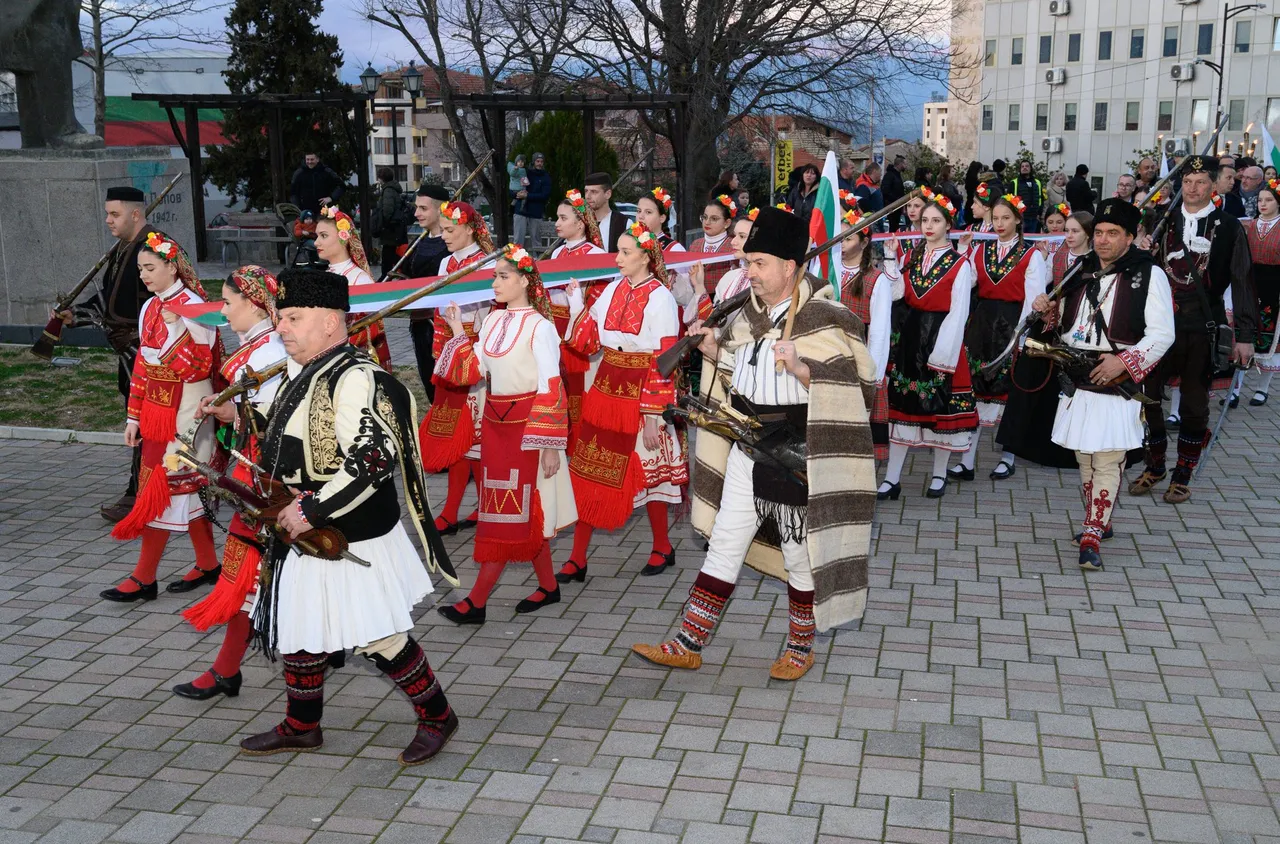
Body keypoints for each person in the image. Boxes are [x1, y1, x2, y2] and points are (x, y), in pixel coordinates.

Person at [630, 205, 876, 680]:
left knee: (799, 554)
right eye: (748, 262)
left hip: (799, 453)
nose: (751, 273)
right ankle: (688, 643)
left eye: (760, 263)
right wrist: (714, 351)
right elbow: (740, 376)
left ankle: (800, 648)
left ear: (789, 266)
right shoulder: (746, 315)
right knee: (724, 542)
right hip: (748, 446)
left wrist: (804, 368)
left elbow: (859, 387)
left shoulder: (827, 317)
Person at [239, 266, 457, 765]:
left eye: (293, 317)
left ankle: (437, 716)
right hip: (306, 524)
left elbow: (373, 458)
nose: (281, 327)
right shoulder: (305, 369)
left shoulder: (356, 377)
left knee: (378, 635)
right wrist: (239, 415)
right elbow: (296, 434)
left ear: (330, 322)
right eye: (280, 317)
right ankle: (302, 725)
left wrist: (311, 507)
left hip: (348, 528)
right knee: (299, 622)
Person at [1030, 199, 1175, 571]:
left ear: (1129, 237)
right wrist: (1048, 310)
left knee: (1108, 455)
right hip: (1078, 374)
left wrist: (1123, 362)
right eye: (1098, 233)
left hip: (1118, 377)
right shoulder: (1080, 269)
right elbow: (1067, 322)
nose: (1103, 240)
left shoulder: (1150, 274)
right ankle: (1101, 520)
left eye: (1113, 233)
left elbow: (1162, 334)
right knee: (1084, 454)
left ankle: (1093, 532)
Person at [434, 245, 576, 624]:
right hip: (496, 427)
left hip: (528, 431)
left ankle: (476, 602)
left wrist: (549, 446)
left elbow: (551, 384)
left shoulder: (541, 327)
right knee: (519, 510)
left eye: (503, 276)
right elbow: (474, 370)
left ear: (525, 281)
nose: (495, 283)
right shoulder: (494, 320)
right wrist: (456, 329)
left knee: (508, 512)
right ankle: (549, 586)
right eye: (494, 276)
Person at [174, 265, 285, 701]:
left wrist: (234, 414)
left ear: (254, 303)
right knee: (255, 575)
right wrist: (230, 412)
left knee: (248, 575)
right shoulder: (258, 346)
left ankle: (227, 671)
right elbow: (258, 417)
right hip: (256, 475)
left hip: (266, 482)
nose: (222, 310)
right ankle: (230, 668)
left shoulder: (269, 351)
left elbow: (273, 425)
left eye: (227, 301)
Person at [555, 222, 685, 583]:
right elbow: (588, 342)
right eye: (618, 251)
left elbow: (665, 359)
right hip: (607, 388)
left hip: (641, 393)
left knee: (648, 473)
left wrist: (652, 416)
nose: (618, 258)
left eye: (626, 252)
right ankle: (577, 557)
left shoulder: (660, 297)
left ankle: (662, 546)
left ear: (646, 257)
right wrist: (577, 304)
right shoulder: (612, 288)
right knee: (590, 469)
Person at [99, 232, 222, 602]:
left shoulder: (195, 307)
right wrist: (133, 417)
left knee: (166, 488)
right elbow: (141, 364)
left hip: (189, 407)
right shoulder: (149, 307)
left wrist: (175, 328)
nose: (144, 275)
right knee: (182, 487)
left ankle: (144, 577)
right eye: (140, 269)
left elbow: (198, 368)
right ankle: (208, 564)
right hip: (156, 409)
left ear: (173, 266)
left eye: (151, 268)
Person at [1132, 155, 1257, 503]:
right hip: (1158, 322)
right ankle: (1155, 464)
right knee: (1147, 395)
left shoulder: (1229, 226)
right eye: (1187, 181)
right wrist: (1141, 249)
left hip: (1202, 324)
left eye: (1201, 182)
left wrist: (1246, 336)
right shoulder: (1162, 220)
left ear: (1214, 185)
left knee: (1194, 402)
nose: (1192, 188)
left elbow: (1243, 280)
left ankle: (1183, 472)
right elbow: (1138, 268)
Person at [56, 186, 154, 522]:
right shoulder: (122, 249)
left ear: (135, 214)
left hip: (150, 356)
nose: (109, 220)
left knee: (147, 424)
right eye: (107, 214)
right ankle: (145, 492)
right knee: (138, 421)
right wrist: (75, 315)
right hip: (129, 356)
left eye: (115, 214)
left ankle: (139, 494)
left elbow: (171, 296)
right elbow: (108, 300)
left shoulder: (155, 248)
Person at [878, 189, 977, 500]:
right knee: (903, 409)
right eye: (925, 221)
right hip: (912, 338)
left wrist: (943, 357)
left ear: (948, 224)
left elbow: (959, 312)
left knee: (942, 414)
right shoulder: (911, 256)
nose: (929, 226)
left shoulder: (960, 264)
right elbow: (897, 294)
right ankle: (892, 479)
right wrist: (891, 258)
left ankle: (938, 475)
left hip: (941, 340)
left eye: (936, 220)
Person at [949, 195, 1045, 482]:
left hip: (1012, 325)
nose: (1000, 224)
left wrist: (1021, 336)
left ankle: (1008, 457)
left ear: (1018, 219)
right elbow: (965, 282)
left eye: (1006, 218)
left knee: (1009, 392)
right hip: (982, 325)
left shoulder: (1031, 254)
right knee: (976, 389)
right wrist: (962, 251)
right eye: (996, 218)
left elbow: (1034, 299)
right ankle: (967, 461)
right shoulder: (981, 250)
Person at [998, 211, 1095, 471]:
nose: (1069, 236)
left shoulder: (1096, 261)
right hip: (1049, 325)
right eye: (1067, 230)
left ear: (1088, 233)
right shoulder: (1059, 255)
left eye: (1075, 231)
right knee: (1027, 382)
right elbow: (1043, 285)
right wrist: (1041, 298)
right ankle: (1012, 449)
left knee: (1071, 389)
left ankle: (1069, 450)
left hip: (1080, 329)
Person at [419, 201, 494, 532]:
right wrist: (441, 353)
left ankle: (471, 508)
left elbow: (493, 311)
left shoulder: (487, 262)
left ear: (469, 229)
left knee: (475, 438)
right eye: (444, 230)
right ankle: (458, 509)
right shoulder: (446, 262)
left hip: (476, 358)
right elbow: (439, 311)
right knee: (456, 436)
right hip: (451, 354)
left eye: (450, 230)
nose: (445, 236)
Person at [838, 202, 891, 461]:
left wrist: (874, 375)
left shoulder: (875, 279)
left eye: (848, 238)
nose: (841, 243)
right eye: (839, 237)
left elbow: (880, 331)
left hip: (858, 358)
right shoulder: (828, 271)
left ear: (864, 242)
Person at [549, 189, 607, 426]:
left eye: (563, 218)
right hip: (557, 329)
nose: (557, 223)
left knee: (581, 389)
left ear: (581, 223)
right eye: (557, 217)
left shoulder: (596, 255)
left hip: (582, 330)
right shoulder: (557, 252)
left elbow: (601, 300)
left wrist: (579, 316)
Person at [314, 206, 392, 372]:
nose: (316, 242)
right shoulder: (326, 275)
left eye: (324, 236)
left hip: (351, 362)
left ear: (343, 237)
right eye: (317, 236)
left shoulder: (359, 280)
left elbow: (371, 329)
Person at [406, 184, 452, 395]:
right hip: (419, 322)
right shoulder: (417, 244)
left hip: (443, 323)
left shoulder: (452, 243)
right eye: (416, 207)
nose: (417, 213)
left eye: (423, 208)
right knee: (427, 377)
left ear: (440, 209)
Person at [1243, 179, 1280, 405]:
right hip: (1249, 283)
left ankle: (1262, 388)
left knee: (1270, 337)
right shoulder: (1249, 225)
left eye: (1269, 200)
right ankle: (1235, 389)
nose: (1263, 204)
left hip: (1275, 287)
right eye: (1259, 200)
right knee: (1242, 332)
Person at [688, 195, 737, 301]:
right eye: (705, 217)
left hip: (723, 302)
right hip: (696, 299)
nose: (707, 222)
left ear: (727, 223)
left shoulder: (734, 245)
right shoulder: (695, 245)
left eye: (714, 219)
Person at [710, 212, 757, 303]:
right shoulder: (729, 277)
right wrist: (699, 286)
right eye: (734, 235)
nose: (733, 242)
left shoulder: (768, 282)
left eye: (742, 236)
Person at [514, 152, 551, 251]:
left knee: (537, 242)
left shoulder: (545, 176)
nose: (539, 164)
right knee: (517, 242)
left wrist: (528, 196)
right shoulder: (525, 173)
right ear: (533, 162)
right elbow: (514, 186)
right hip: (521, 210)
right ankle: (516, 260)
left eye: (541, 161)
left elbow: (545, 195)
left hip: (536, 212)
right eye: (537, 161)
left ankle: (538, 259)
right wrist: (516, 194)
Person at [584, 171, 630, 251]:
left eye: (594, 192)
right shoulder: (580, 223)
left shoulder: (624, 224)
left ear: (608, 194)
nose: (588, 196)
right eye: (586, 191)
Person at [376, 167, 408, 278]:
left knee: (387, 254)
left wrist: (382, 224)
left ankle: (387, 275)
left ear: (382, 178)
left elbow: (387, 210)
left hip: (389, 228)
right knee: (388, 253)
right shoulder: (393, 189)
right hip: (394, 227)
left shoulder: (388, 190)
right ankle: (386, 275)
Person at [289, 152, 345, 216]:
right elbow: (293, 193)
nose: (309, 162)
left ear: (317, 159)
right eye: (307, 159)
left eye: (312, 159)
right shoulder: (299, 173)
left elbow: (341, 186)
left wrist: (331, 198)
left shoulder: (326, 171)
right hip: (305, 211)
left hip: (324, 210)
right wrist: (298, 209)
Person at [1013, 162, 1044, 233]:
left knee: (1032, 239)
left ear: (1030, 168)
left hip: (1034, 218)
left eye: (1027, 166)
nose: (1024, 167)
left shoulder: (1037, 182)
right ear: (1020, 169)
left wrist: (1039, 213)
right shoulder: (1014, 183)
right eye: (1022, 166)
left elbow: (1041, 199)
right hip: (1020, 218)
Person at [882, 155, 907, 230]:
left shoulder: (897, 175)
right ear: (900, 164)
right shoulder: (889, 175)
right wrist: (896, 199)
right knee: (893, 227)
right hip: (891, 207)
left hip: (897, 207)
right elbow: (885, 191)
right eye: (905, 164)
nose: (906, 166)